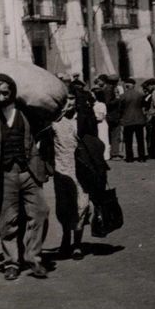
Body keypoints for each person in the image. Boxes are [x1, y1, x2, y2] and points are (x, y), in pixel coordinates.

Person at [0, 74, 51, 280]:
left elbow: (48, 124)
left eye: (5, 93)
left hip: (29, 171)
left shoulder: (27, 109)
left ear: (13, 91)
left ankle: (34, 258)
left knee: (40, 212)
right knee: (8, 221)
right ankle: (12, 263)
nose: (1, 97)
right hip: (4, 174)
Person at [52, 91, 91, 260]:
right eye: (66, 99)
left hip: (80, 170)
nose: (69, 102)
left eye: (72, 98)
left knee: (81, 205)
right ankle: (66, 238)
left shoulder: (83, 119)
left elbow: (93, 143)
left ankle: (77, 244)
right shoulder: (54, 121)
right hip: (61, 169)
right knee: (64, 207)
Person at [120, 77, 147, 162]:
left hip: (127, 120)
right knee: (140, 140)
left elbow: (120, 108)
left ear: (126, 85)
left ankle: (129, 158)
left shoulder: (123, 96)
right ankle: (142, 157)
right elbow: (144, 106)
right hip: (139, 119)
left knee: (128, 141)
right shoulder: (140, 95)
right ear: (134, 85)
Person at [92, 89, 111, 160]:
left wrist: (91, 119)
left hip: (101, 125)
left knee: (102, 139)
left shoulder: (101, 105)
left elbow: (101, 117)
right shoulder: (94, 104)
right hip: (96, 125)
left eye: (93, 94)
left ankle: (105, 155)